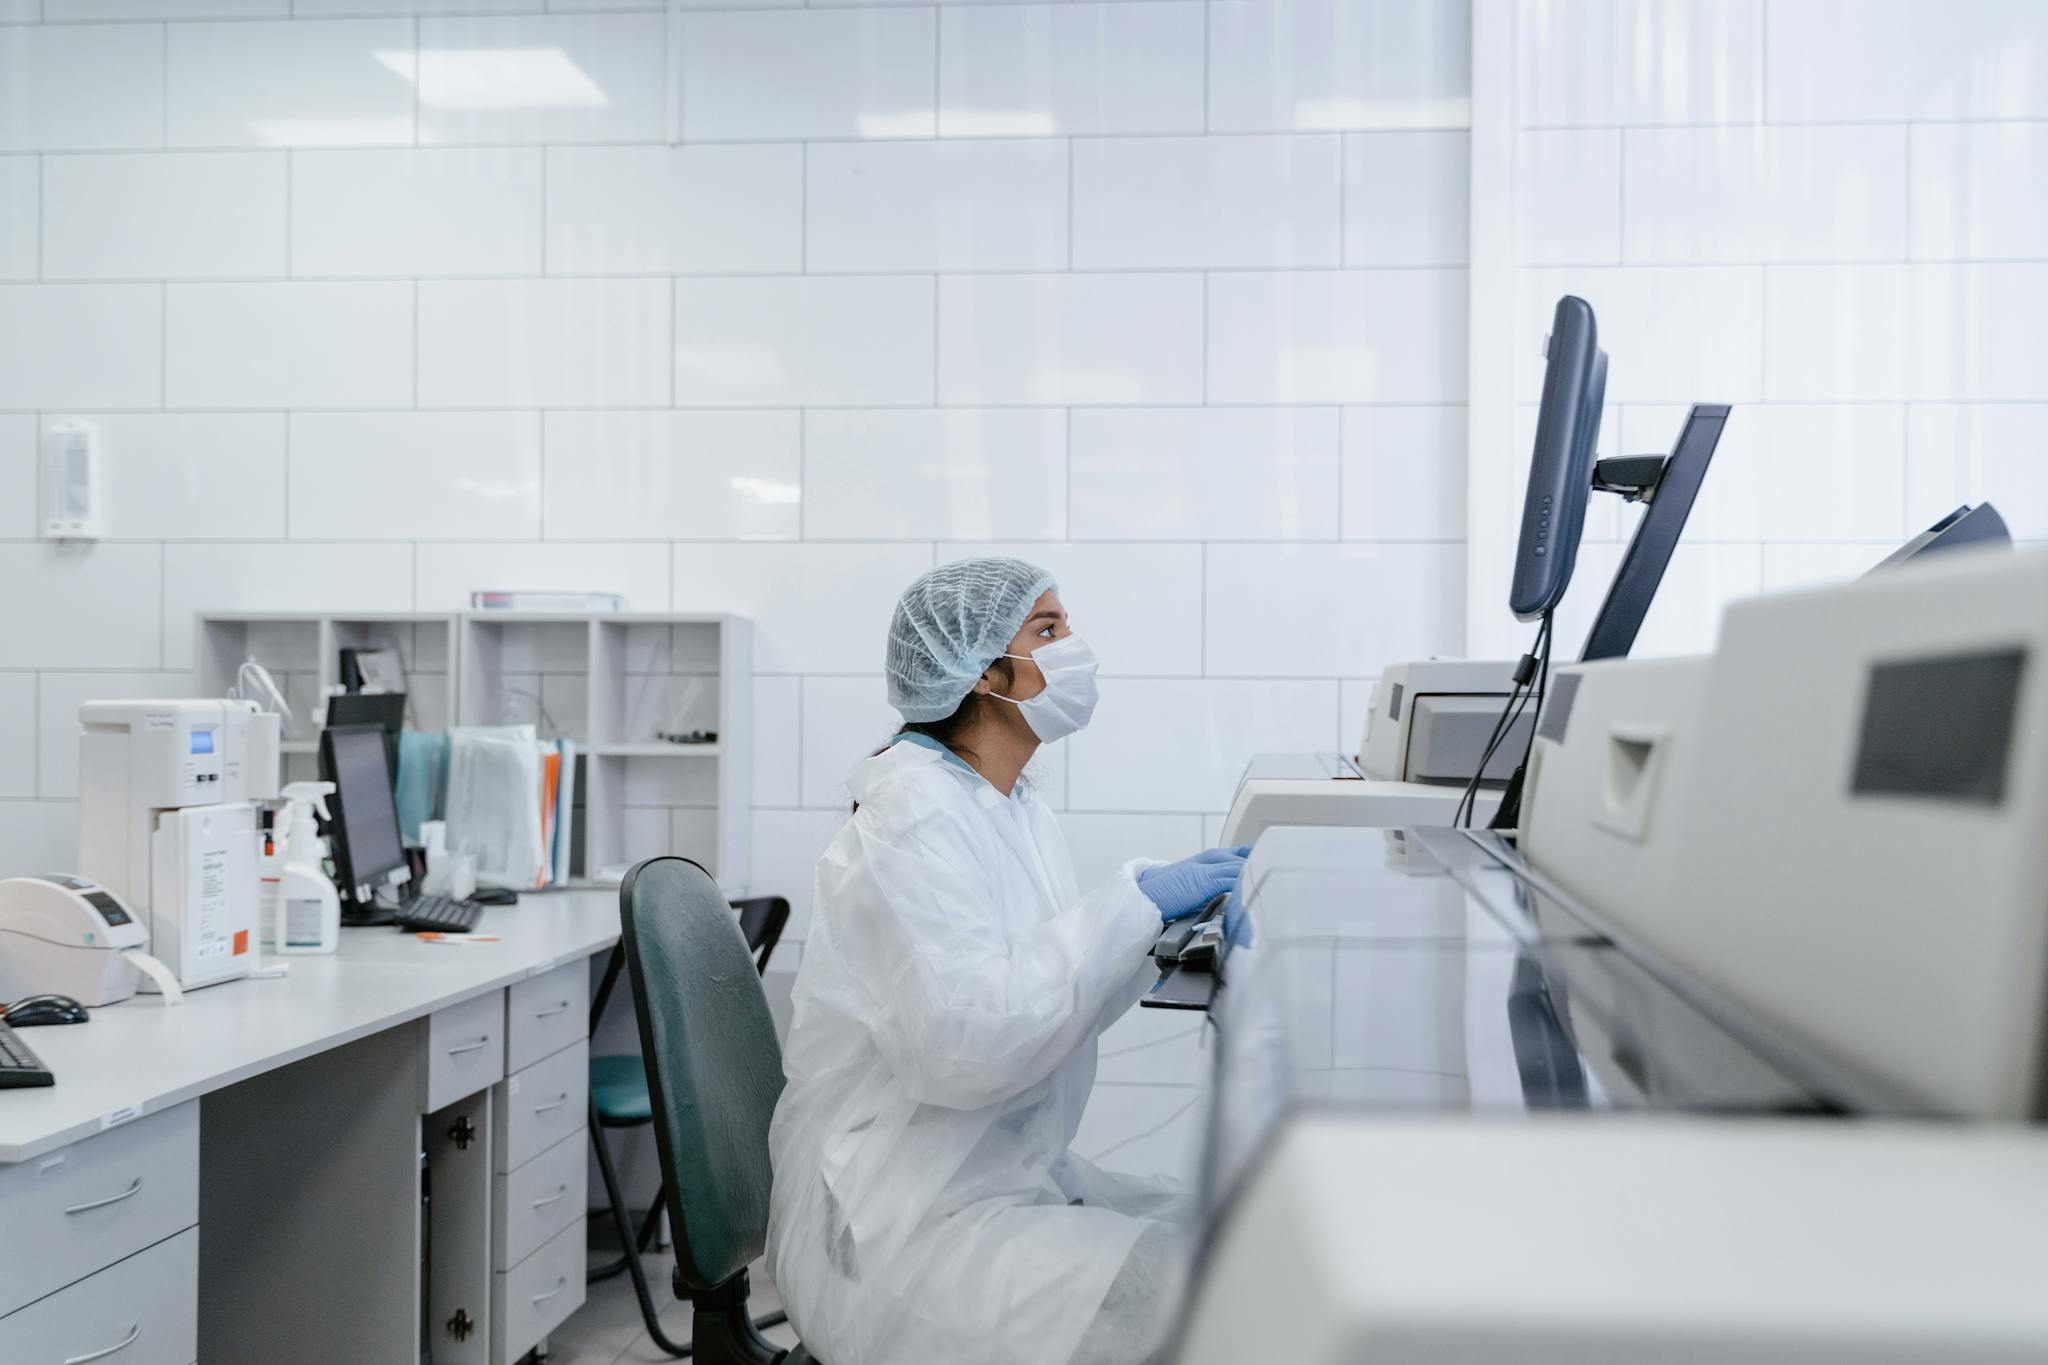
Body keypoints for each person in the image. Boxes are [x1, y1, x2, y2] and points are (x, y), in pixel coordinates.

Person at [767, 557, 1250, 1365]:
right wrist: (1137, 904)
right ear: (983, 670)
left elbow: (1036, 986)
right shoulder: (913, 816)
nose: (1075, 649)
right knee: (1216, 1296)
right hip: (902, 1223)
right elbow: (966, 1042)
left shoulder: (1009, 807)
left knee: (1231, 1237)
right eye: (1049, 631)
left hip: (983, 1175)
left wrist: (1155, 932)